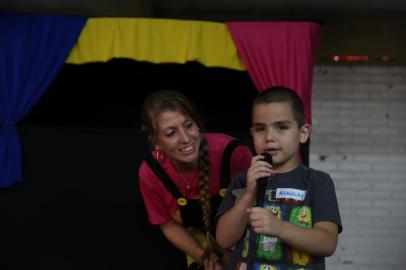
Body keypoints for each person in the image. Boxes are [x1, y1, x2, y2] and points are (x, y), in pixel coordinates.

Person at [216, 86, 342, 270]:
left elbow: (327, 243)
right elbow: (223, 240)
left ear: (303, 133)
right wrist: (249, 194)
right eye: (260, 129)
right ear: (252, 133)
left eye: (281, 127)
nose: (269, 137)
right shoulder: (242, 181)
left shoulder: (317, 181)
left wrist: (279, 227)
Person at [138, 90, 253, 270]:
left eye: (189, 125)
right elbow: (168, 225)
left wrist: (232, 258)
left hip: (246, 242)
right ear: (156, 141)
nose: (185, 138)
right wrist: (205, 257)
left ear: (198, 124)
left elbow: (261, 209)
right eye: (171, 133)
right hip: (199, 248)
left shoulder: (234, 155)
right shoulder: (151, 173)